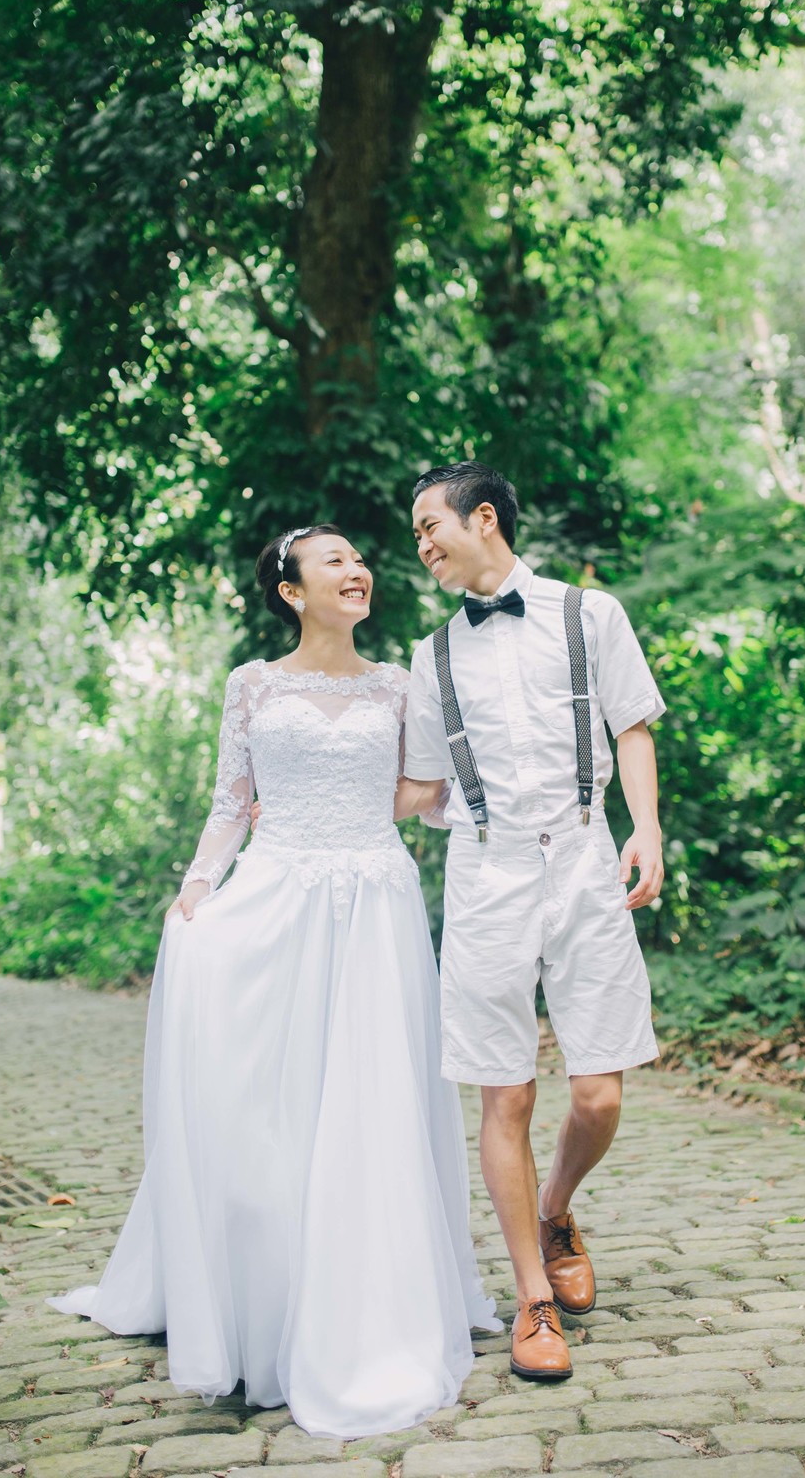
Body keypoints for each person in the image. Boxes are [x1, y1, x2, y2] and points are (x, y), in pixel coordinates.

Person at [48, 525, 499, 1438]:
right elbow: (229, 801)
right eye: (334, 561)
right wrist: (198, 885)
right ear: (293, 591)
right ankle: (267, 1292)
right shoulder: (251, 686)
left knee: (370, 1101)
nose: (357, 569)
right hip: (278, 893)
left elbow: (430, 792)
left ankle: (373, 1301)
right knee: (270, 1099)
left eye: (360, 559)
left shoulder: (400, 687)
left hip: (374, 903)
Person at [404, 463, 665, 1383]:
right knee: (505, 1094)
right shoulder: (429, 656)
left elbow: (633, 726)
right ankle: (532, 1297)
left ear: (484, 517)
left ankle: (557, 1205)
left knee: (598, 1094)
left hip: (588, 858)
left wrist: (647, 830)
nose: (423, 545)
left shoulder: (591, 616)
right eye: (416, 534)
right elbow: (424, 788)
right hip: (486, 873)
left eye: (431, 526)